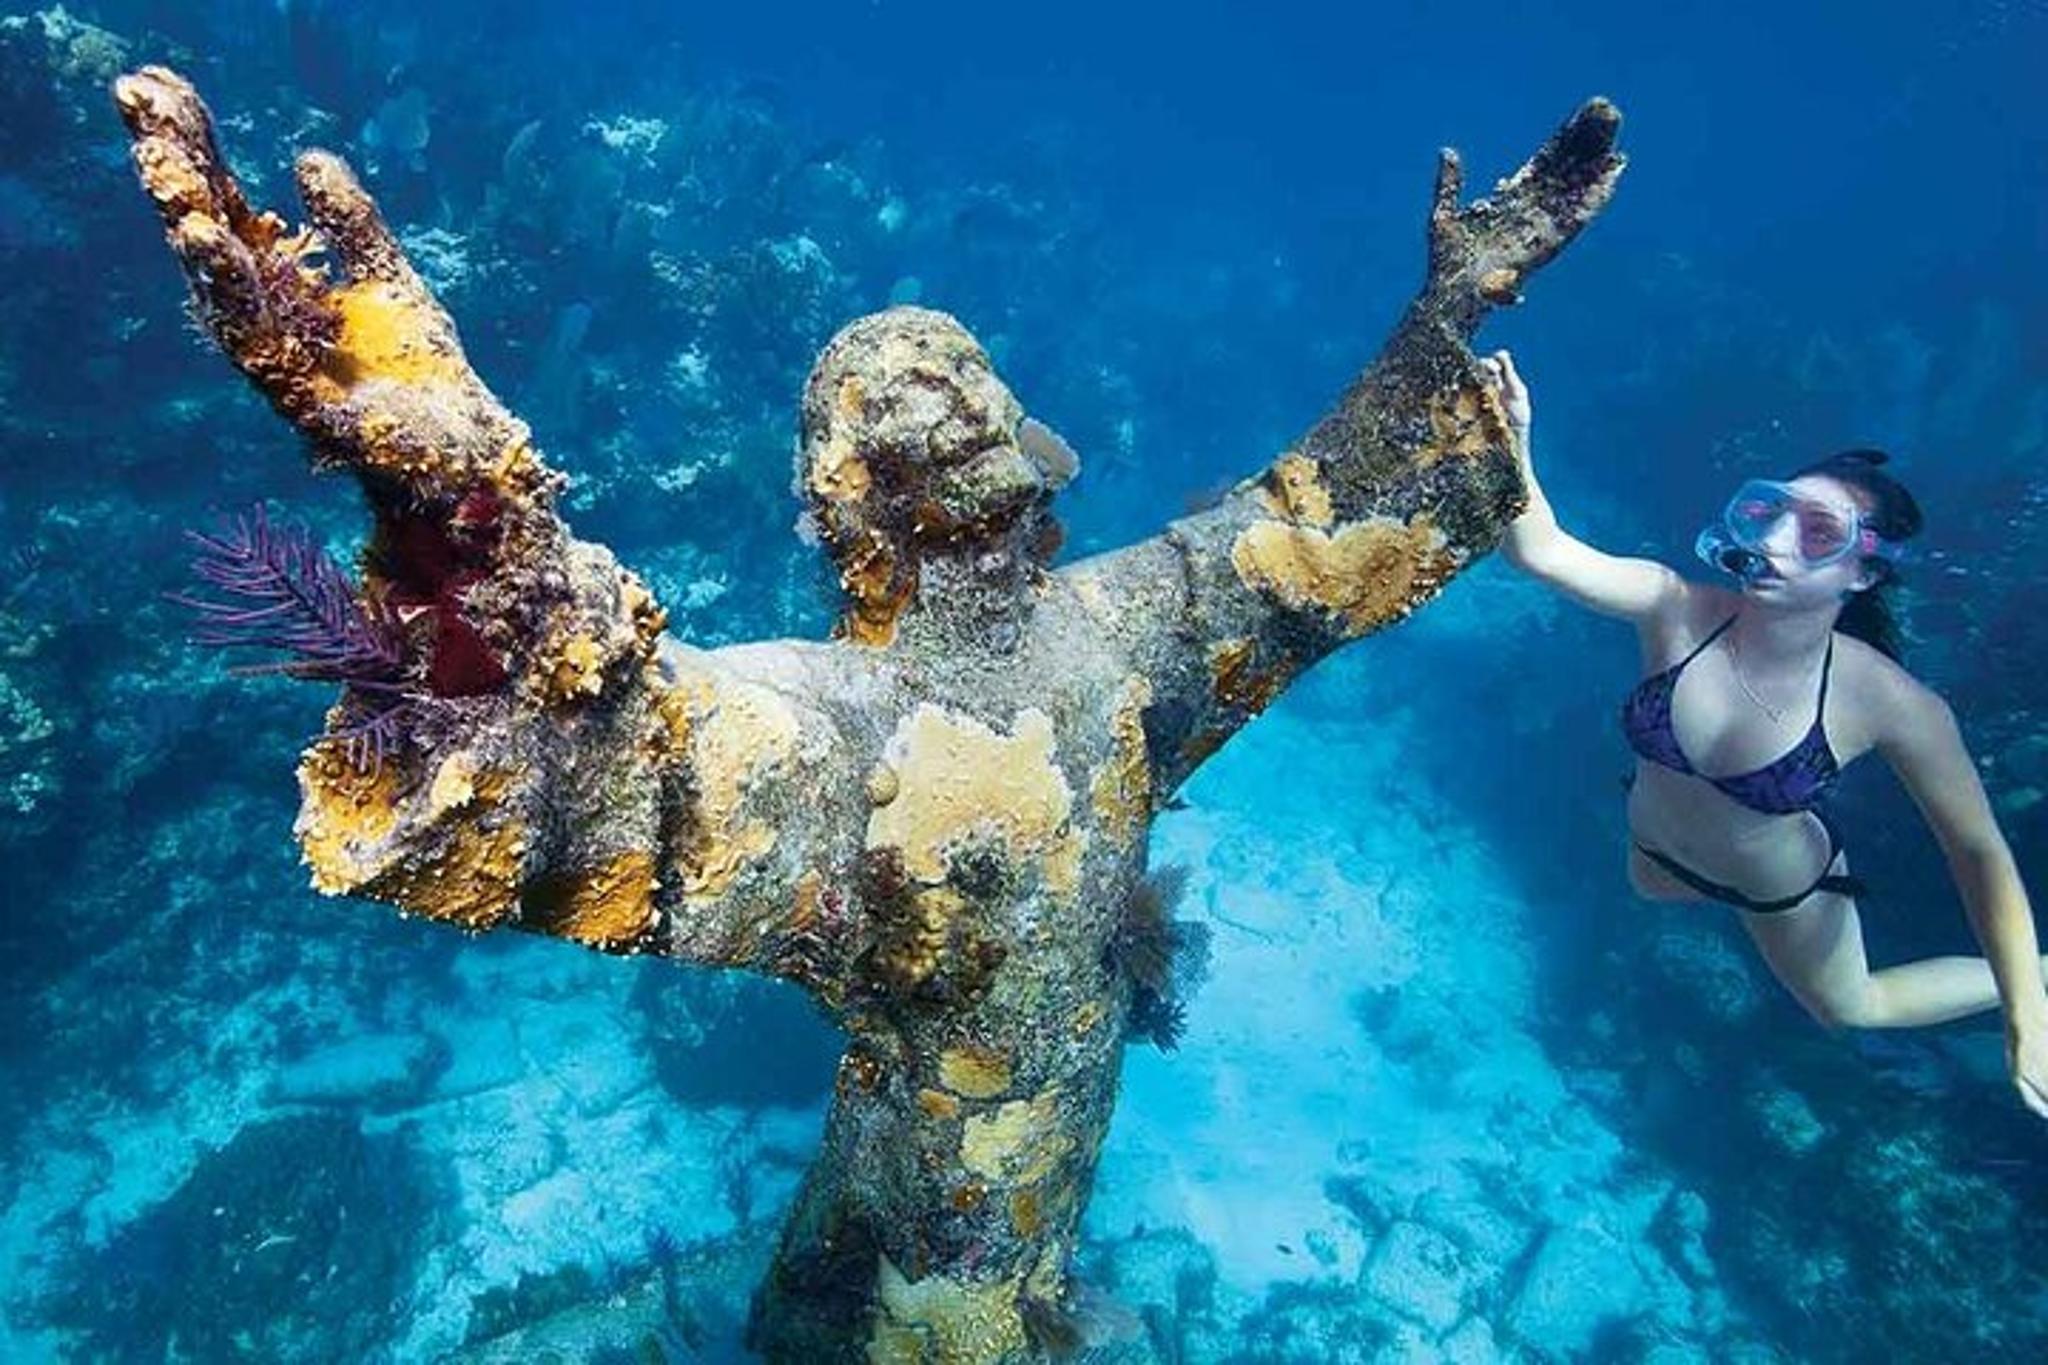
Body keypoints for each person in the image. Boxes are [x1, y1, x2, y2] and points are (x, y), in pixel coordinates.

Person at [1489, 350, 2048, 1118]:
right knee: (1650, 892)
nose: (1775, 543)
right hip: (1655, 864)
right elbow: (1538, 549)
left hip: (1783, 891)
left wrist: (2026, 1014)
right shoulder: (1673, 605)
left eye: (1817, 531)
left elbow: (1978, 849)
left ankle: (2040, 972)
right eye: (1768, 513)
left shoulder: (1895, 703)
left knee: (1851, 1007)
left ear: (1863, 572)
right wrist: (1511, 437)